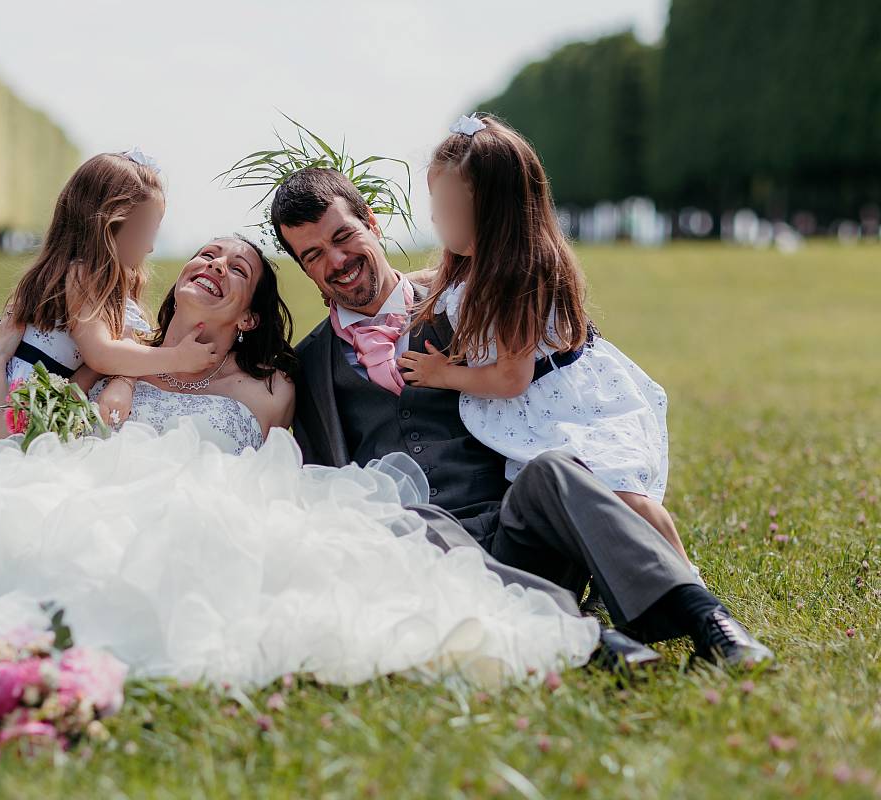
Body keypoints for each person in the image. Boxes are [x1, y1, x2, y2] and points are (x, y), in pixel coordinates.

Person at [0, 236, 600, 693]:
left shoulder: (267, 386)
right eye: (202, 255)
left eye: (234, 271)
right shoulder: (106, 355)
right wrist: (0, 370)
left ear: (247, 315)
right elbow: (8, 453)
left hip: (200, 516)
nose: (209, 266)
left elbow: (299, 466)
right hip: (81, 497)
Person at [276, 165, 773, 668]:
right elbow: (326, 493)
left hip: (519, 532)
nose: (337, 260)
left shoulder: (469, 300)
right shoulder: (309, 366)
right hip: (420, 559)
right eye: (314, 254)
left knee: (554, 468)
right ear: (304, 268)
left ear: (373, 224)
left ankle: (712, 624)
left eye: (344, 236)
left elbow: (564, 379)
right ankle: (595, 645)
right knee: (408, 518)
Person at [397, 113, 695, 576]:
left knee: (618, 491)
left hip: (570, 403)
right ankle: (613, 575)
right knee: (570, 510)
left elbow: (510, 378)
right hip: (540, 413)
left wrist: (443, 375)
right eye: (435, 203)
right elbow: (439, 282)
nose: (435, 217)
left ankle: (684, 580)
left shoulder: (518, 277)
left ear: (493, 214)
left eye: (448, 207)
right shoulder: (474, 263)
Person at [0, 150, 221, 454]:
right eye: (146, 231)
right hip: (14, 399)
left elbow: (118, 351)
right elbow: (101, 354)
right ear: (110, 226)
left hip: (43, 404)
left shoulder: (109, 289)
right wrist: (178, 357)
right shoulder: (81, 275)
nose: (150, 247)